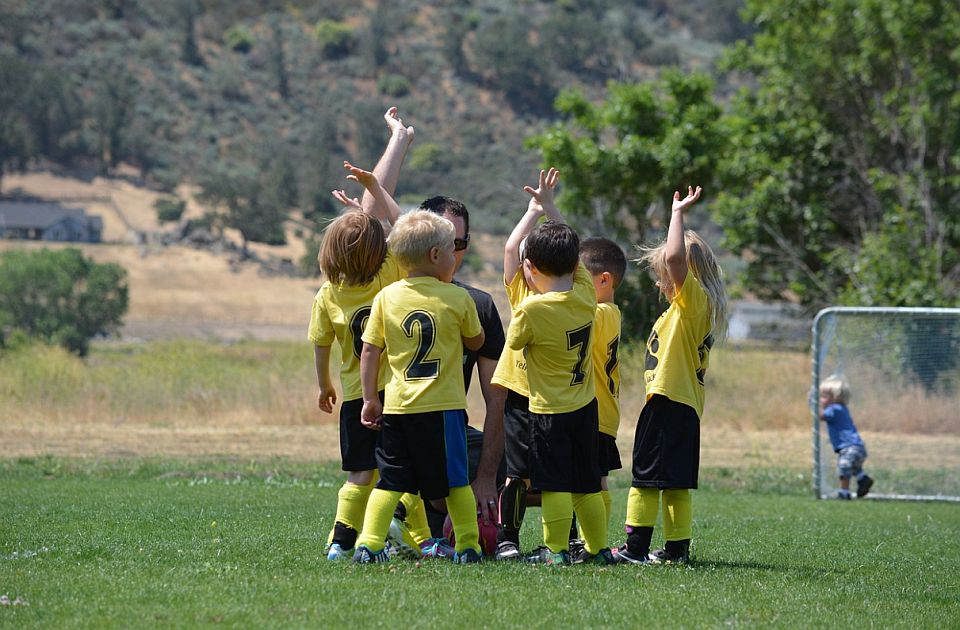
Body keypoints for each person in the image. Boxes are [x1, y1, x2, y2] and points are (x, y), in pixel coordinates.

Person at [353, 209, 486, 564]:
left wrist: (369, 399)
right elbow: (477, 341)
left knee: (391, 482)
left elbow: (369, 349)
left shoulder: (387, 297)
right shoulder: (457, 298)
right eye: (452, 249)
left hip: (398, 409)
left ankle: (368, 545)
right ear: (436, 256)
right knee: (455, 481)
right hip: (443, 410)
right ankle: (469, 546)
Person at [502, 168, 612, 566]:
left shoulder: (531, 308)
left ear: (529, 267)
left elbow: (514, 343)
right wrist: (551, 209)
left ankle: (555, 551)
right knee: (586, 483)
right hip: (586, 408)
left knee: (554, 485)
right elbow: (573, 252)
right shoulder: (586, 295)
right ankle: (599, 550)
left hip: (549, 411)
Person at [614, 186, 729, 565]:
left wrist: (676, 213)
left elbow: (677, 257)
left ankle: (634, 550)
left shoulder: (692, 301)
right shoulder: (683, 311)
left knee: (644, 480)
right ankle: (677, 551)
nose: (661, 281)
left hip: (668, 404)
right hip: (683, 408)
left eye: (663, 273)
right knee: (676, 483)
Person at [418, 196, 507, 539]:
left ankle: (503, 534)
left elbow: (496, 398)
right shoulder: (394, 296)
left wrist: (486, 476)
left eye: (459, 243)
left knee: (527, 456)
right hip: (401, 431)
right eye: (442, 241)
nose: (450, 253)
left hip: (452, 432)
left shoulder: (478, 305)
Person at [579, 237, 628, 528]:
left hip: (596, 414)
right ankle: (586, 542)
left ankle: (593, 543)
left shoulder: (602, 313)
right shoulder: (606, 312)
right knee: (592, 480)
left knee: (595, 483)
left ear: (604, 280)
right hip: (600, 413)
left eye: (580, 279)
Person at [819, 375, 873, 500]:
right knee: (854, 468)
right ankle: (863, 479)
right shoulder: (841, 408)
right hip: (857, 446)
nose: (821, 400)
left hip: (849, 447)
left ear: (836, 398)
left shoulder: (834, 409)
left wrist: (813, 404)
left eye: (824, 397)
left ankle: (844, 492)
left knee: (844, 467)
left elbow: (821, 416)